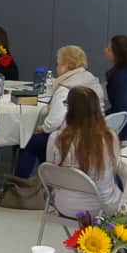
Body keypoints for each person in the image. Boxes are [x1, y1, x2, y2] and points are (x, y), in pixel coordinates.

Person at [15, 45, 107, 178]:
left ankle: (19, 184)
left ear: (65, 66)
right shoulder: (92, 80)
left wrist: (42, 128)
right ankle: (47, 177)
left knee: (31, 141)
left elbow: (54, 121)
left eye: (58, 64)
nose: (57, 68)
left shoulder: (65, 87)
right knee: (42, 142)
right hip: (96, 134)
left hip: (71, 141)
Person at [45, 88, 122, 217]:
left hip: (64, 206)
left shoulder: (56, 138)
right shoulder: (109, 137)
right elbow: (116, 167)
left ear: (70, 109)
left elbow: (50, 172)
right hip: (101, 207)